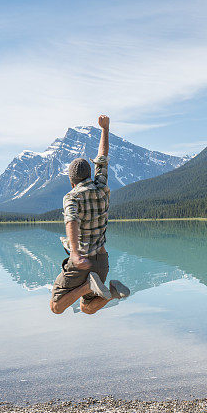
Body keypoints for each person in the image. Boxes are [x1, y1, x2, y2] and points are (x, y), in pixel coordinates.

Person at [49, 115, 130, 315]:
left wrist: (75, 253)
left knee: (57, 307)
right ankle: (110, 292)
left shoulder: (71, 196)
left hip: (82, 260)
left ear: (72, 181)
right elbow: (102, 158)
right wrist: (105, 129)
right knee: (87, 308)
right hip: (101, 260)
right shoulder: (102, 187)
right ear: (89, 175)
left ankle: (87, 287)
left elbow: (71, 220)